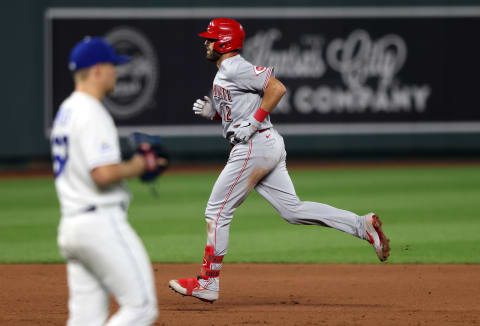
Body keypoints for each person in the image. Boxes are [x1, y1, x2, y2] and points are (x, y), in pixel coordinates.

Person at [169, 18, 390, 303]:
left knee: (216, 212)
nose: (206, 43)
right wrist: (216, 113)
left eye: (211, 38)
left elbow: (277, 88)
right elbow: (242, 112)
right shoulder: (227, 70)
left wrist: (253, 121)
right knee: (292, 210)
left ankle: (208, 282)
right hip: (266, 143)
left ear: (224, 42)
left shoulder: (235, 66)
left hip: (254, 145)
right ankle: (362, 225)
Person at [51, 37, 159, 325]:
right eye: (113, 66)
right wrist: (138, 165)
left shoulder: (66, 111)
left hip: (72, 228)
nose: (117, 72)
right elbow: (103, 174)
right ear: (97, 69)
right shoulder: (91, 111)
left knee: (85, 320)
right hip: (99, 226)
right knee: (142, 307)